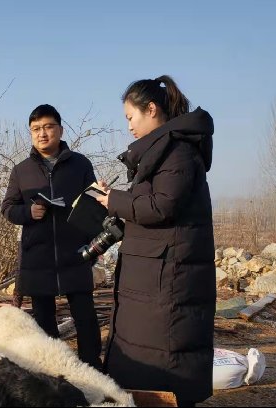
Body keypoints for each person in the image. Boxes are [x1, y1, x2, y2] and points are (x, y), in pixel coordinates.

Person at [95, 75, 215, 406]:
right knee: (145, 356)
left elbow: (162, 206)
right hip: (155, 274)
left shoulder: (177, 151)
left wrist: (113, 200)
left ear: (151, 109)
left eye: (130, 117)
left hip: (167, 278)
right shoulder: (164, 151)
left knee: (164, 355)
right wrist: (115, 200)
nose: (129, 126)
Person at [1, 104, 102, 369]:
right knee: (44, 323)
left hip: (76, 254)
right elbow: (7, 208)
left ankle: (91, 369)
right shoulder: (21, 170)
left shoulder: (80, 164)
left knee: (86, 318)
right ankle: (54, 373)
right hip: (39, 258)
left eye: (48, 127)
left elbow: (94, 205)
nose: (42, 134)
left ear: (60, 129)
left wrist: (99, 197)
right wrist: (28, 211)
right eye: (36, 129)